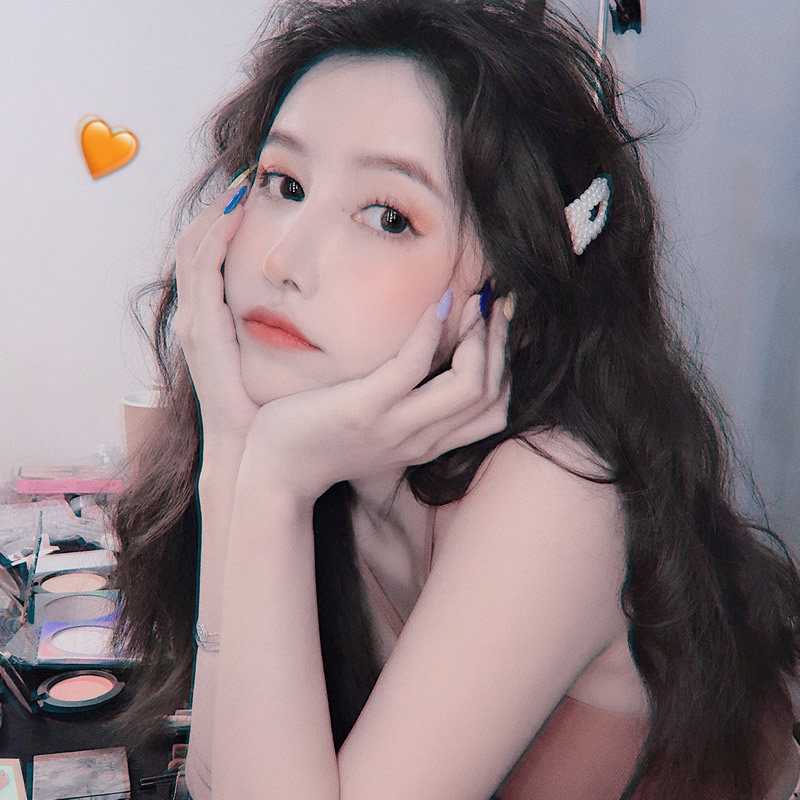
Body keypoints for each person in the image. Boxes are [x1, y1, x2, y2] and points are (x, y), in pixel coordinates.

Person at [111, 1, 800, 797]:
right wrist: (235, 447)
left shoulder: (556, 489)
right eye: (284, 184)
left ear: (507, 289)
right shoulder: (332, 461)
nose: (283, 259)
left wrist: (267, 485)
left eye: (388, 217)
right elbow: (219, 777)